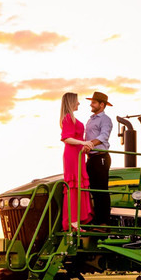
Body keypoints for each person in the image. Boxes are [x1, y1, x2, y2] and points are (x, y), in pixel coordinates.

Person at [60, 92, 94, 231]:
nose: (79, 103)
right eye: (77, 101)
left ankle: (77, 219)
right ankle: (72, 220)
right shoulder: (68, 118)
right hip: (72, 155)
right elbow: (66, 138)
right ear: (71, 102)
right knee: (73, 186)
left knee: (79, 185)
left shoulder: (71, 118)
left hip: (78, 155)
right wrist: (84, 142)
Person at [83, 91, 113, 228]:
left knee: (101, 190)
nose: (91, 104)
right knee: (94, 189)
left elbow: (103, 137)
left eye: (94, 102)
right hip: (91, 157)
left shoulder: (105, 119)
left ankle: (104, 222)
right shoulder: (91, 119)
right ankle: (96, 219)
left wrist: (90, 144)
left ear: (102, 104)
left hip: (100, 157)